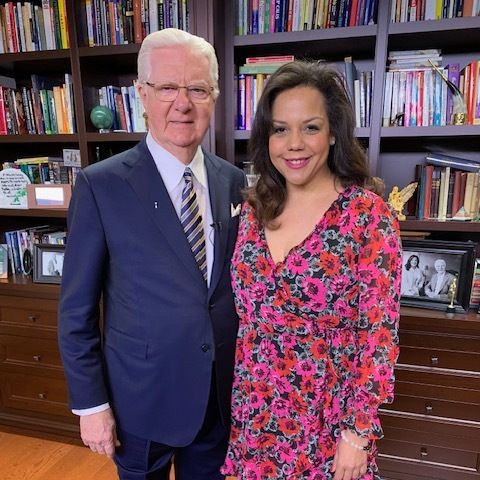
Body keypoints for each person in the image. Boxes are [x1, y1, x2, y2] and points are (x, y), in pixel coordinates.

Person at [58, 28, 245, 480]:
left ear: (214, 97)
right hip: (138, 404)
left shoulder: (233, 181)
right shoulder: (100, 185)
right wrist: (91, 405)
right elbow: (76, 311)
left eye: (197, 89)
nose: (182, 103)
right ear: (142, 94)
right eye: (167, 88)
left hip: (217, 399)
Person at [221, 61, 402, 480]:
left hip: (326, 422)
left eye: (311, 127)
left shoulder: (367, 216)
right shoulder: (253, 210)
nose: (294, 144)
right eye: (280, 129)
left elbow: (378, 335)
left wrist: (357, 434)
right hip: (255, 413)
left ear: (334, 132)